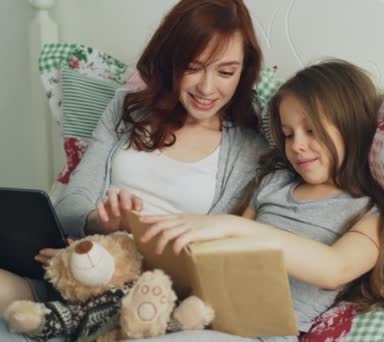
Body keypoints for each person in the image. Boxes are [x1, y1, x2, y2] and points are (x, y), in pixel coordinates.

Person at [0, 0, 267, 318]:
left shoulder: (251, 146)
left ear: (244, 70)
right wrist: (100, 222)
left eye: (226, 72)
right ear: (170, 62)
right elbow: (70, 205)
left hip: (153, 298)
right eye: (192, 68)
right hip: (78, 271)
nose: (207, 88)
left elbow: (214, 259)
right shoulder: (128, 109)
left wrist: (140, 250)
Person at [135, 59, 384, 341]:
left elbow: (334, 268)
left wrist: (236, 227)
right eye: (288, 135)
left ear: (352, 125)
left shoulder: (371, 213)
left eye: (311, 130)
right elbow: (226, 257)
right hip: (208, 311)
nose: (297, 145)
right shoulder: (275, 183)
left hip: (262, 333)